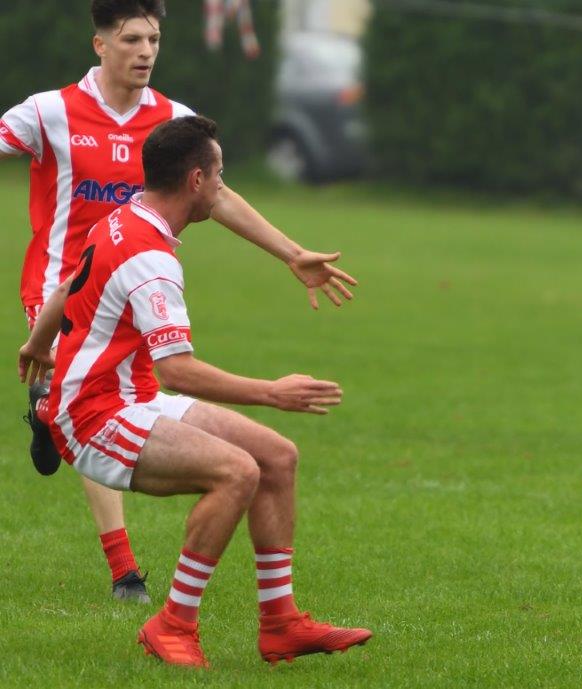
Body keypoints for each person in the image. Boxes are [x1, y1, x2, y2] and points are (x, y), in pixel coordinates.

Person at [0, 0, 356, 603]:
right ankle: (124, 569)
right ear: (100, 44)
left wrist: (290, 252)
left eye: (155, 40)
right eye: (133, 38)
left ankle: (47, 413)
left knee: (117, 402)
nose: (145, 52)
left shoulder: (172, 122)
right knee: (95, 403)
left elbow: (218, 195)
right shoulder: (49, 112)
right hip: (64, 289)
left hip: (133, 290)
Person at [18, 115, 372, 668]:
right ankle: (172, 625)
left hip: (128, 395)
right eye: (220, 175)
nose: (223, 187)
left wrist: (38, 343)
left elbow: (68, 284)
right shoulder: (152, 261)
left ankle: (281, 623)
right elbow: (178, 371)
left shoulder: (126, 215)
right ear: (195, 182)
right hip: (94, 417)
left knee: (277, 457)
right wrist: (272, 391)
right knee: (237, 472)